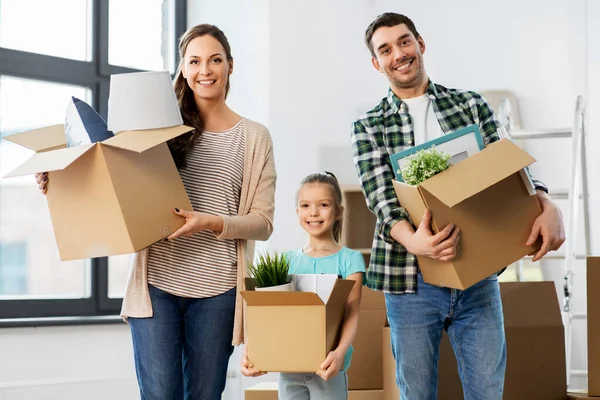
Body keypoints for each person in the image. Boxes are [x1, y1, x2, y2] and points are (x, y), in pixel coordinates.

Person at [36, 23, 277, 400]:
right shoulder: (159, 126)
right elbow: (109, 176)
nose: (205, 70)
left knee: (204, 395)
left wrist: (210, 222)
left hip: (218, 291)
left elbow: (262, 223)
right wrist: (59, 180)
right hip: (156, 286)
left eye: (215, 60)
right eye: (194, 61)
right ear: (183, 69)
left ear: (231, 65)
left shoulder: (254, 137)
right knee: (160, 395)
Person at [351, 13, 565, 400]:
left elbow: (508, 165)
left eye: (404, 42)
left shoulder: (469, 105)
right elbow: (380, 196)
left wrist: (547, 203)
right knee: (417, 395)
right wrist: (414, 242)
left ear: (420, 43)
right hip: (409, 281)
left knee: (487, 392)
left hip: (477, 275)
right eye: (385, 49)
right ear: (376, 63)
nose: (398, 54)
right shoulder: (369, 125)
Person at [240, 171, 365, 400]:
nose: (314, 212)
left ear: (338, 212)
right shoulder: (286, 261)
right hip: (290, 368)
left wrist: (339, 354)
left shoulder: (350, 259)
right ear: (298, 212)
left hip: (329, 368)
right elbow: (268, 313)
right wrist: (253, 350)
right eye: (305, 205)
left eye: (323, 205)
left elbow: (352, 313)